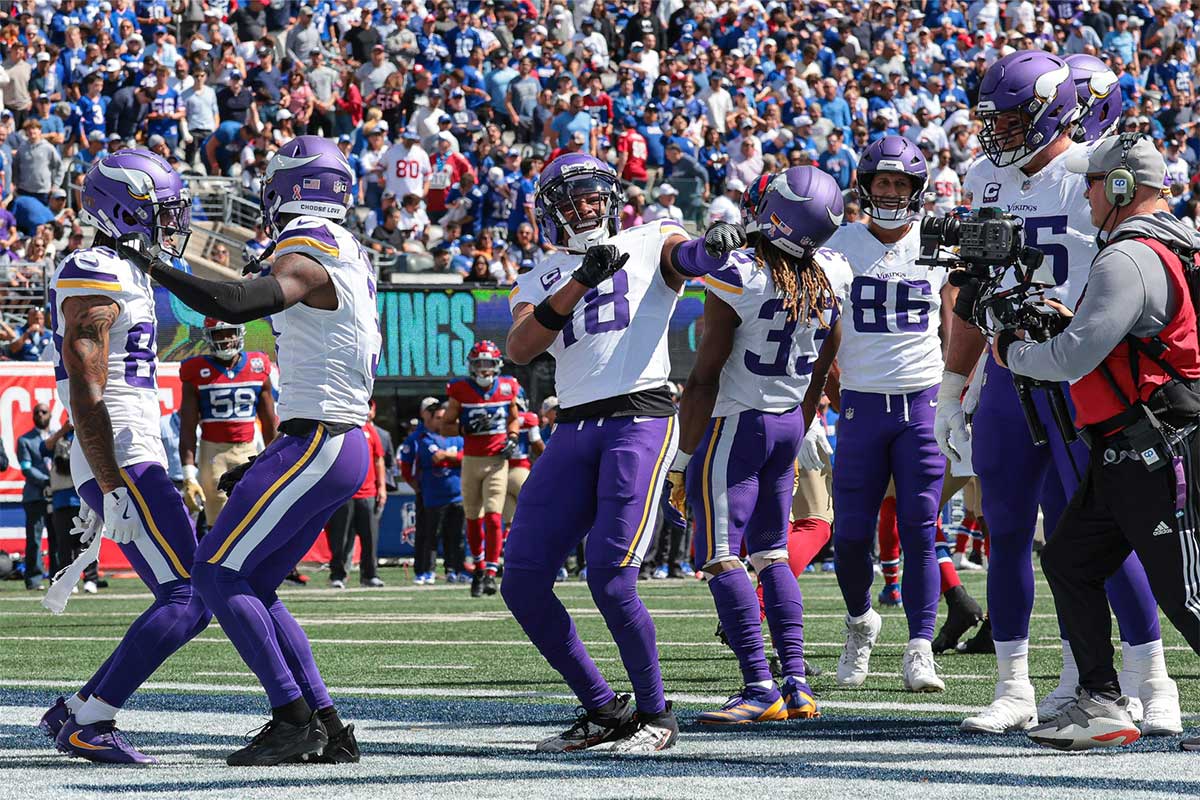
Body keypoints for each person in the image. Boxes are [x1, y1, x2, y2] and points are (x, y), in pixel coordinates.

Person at [936, 52, 1179, 736]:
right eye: (994, 121)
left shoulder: (1098, 170)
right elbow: (967, 289)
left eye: (1013, 120)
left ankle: (1149, 678)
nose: (1000, 135)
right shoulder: (983, 176)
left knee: (1107, 535)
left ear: (1051, 113)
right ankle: (1016, 684)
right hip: (1013, 374)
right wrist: (956, 386)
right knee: (1008, 528)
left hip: (1086, 375)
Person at [141, 136, 380, 765]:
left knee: (215, 573)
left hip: (321, 440)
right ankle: (326, 722)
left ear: (285, 191)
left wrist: (154, 265)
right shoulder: (346, 246)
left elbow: (235, 302)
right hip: (325, 440)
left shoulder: (310, 246)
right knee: (257, 585)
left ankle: (291, 718)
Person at [502, 153, 743, 753]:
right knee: (522, 581)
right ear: (550, 212)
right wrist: (580, 278)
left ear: (610, 199)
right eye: (571, 200)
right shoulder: (539, 274)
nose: (584, 207)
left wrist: (714, 244)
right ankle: (605, 708)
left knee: (612, 578)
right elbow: (520, 347)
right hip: (573, 428)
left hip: (640, 418)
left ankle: (658, 715)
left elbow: (688, 257)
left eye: (592, 196)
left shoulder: (650, 237)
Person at [997, 136, 1197, 750]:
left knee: (1186, 593)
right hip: (1127, 444)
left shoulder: (1127, 255)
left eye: (1093, 182)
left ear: (1117, 187)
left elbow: (1076, 355)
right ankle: (1102, 701)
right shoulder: (1167, 242)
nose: (1084, 191)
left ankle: (1109, 697)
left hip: (1154, 443)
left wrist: (1012, 350)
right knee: (1069, 560)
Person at [38, 150, 212, 763]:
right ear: (121, 211)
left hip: (136, 451)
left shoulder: (131, 271)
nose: (171, 224)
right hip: (124, 453)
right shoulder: (93, 268)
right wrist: (110, 482)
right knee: (191, 595)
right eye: (160, 213)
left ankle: (79, 707)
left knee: (187, 592)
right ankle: (91, 719)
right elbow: (87, 386)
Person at [670, 166, 849, 724]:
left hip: (734, 426)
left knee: (722, 557)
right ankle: (796, 683)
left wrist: (679, 461)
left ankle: (758, 687)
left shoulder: (739, 277)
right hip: (789, 422)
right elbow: (824, 369)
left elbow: (702, 380)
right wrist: (804, 419)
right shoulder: (831, 274)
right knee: (772, 553)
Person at [823, 136, 963, 692]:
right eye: (882, 182)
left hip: (922, 401)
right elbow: (820, 325)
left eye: (900, 183)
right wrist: (821, 403)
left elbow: (954, 324)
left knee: (920, 530)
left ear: (916, 189)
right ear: (865, 185)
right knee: (852, 535)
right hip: (859, 403)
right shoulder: (837, 244)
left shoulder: (937, 241)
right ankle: (861, 623)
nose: (890, 191)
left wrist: (958, 394)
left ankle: (920, 646)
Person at [178, 318, 276, 525]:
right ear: (208, 336)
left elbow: (269, 423)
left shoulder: (257, 365)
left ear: (240, 332)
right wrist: (188, 474)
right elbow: (187, 427)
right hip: (214, 452)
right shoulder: (196, 370)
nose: (226, 339)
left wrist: (278, 459)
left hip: (249, 450)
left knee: (253, 513)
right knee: (220, 519)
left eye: (230, 332)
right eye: (219, 334)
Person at [442, 341, 520, 598]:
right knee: (473, 516)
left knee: (494, 516)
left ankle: (490, 571)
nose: (484, 370)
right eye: (479, 364)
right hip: (471, 460)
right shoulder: (461, 389)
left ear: (497, 365)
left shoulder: (508, 387)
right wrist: (466, 429)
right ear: (471, 365)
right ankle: (477, 568)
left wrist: (511, 437)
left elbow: (513, 419)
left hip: (497, 461)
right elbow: (445, 427)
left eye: (488, 364)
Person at [326, 400, 387, 589]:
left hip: (368, 492)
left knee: (370, 537)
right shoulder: (339, 427)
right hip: (344, 494)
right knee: (340, 537)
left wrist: (382, 487)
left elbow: (379, 460)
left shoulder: (370, 430)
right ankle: (338, 575)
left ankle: (369, 575)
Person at [415, 403, 467, 584]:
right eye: (438, 418)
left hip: (458, 494)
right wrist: (452, 458)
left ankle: (456, 570)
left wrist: (447, 456)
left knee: (457, 536)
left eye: (445, 418)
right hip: (434, 496)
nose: (442, 421)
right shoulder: (425, 438)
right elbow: (435, 458)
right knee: (432, 536)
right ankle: (428, 572)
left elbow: (466, 457)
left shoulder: (458, 438)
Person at [18, 403, 54, 590]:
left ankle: (57, 580)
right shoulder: (25, 440)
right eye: (37, 412)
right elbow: (26, 468)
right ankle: (33, 579)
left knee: (58, 540)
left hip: (58, 496)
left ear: (50, 414)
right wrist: (49, 481)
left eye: (44, 411)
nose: (40, 414)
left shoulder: (59, 437)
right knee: (34, 539)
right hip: (35, 496)